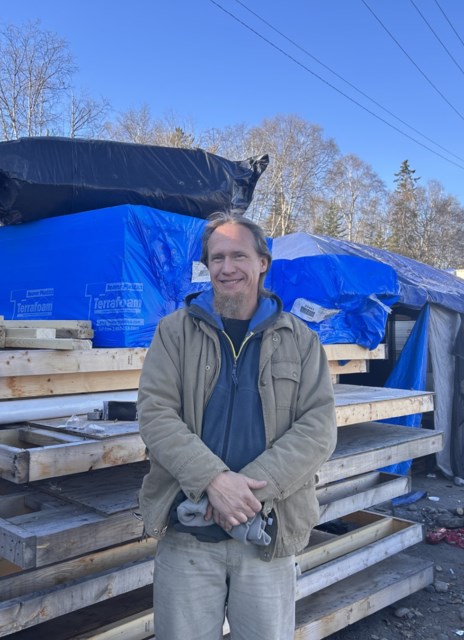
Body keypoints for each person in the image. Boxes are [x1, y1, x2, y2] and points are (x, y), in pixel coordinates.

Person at [137, 211, 338, 640]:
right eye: (216, 258)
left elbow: (318, 427)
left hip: (267, 534)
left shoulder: (301, 341)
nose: (227, 268)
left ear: (263, 262)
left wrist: (245, 491)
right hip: (188, 531)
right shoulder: (174, 333)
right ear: (207, 266)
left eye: (239, 256)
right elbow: (155, 414)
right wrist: (212, 480)